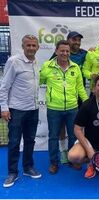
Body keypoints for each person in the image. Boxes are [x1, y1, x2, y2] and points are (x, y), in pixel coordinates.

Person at [40, 40, 88, 174]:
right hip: (54, 109)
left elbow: (80, 88)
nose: (65, 53)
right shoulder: (47, 66)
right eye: (62, 50)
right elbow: (38, 82)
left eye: (67, 51)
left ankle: (74, 160)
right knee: (53, 136)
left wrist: (87, 103)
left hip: (73, 108)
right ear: (56, 51)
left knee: (73, 136)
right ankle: (54, 163)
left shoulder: (75, 67)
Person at [0, 35, 41, 187]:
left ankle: (28, 167)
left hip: (33, 109)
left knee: (30, 140)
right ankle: (12, 172)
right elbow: (4, 87)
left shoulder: (36, 62)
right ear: (23, 46)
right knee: (14, 142)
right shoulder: (13, 61)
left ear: (37, 47)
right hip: (16, 110)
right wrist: (4, 108)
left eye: (33, 45)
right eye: (28, 45)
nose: (31, 48)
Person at [49, 31, 88, 165]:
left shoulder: (84, 54)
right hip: (58, 101)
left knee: (75, 131)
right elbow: (47, 74)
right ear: (68, 41)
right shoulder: (55, 56)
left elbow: (94, 58)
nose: (76, 42)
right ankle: (62, 152)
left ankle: (73, 156)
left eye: (78, 40)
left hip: (76, 98)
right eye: (74, 40)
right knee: (60, 130)